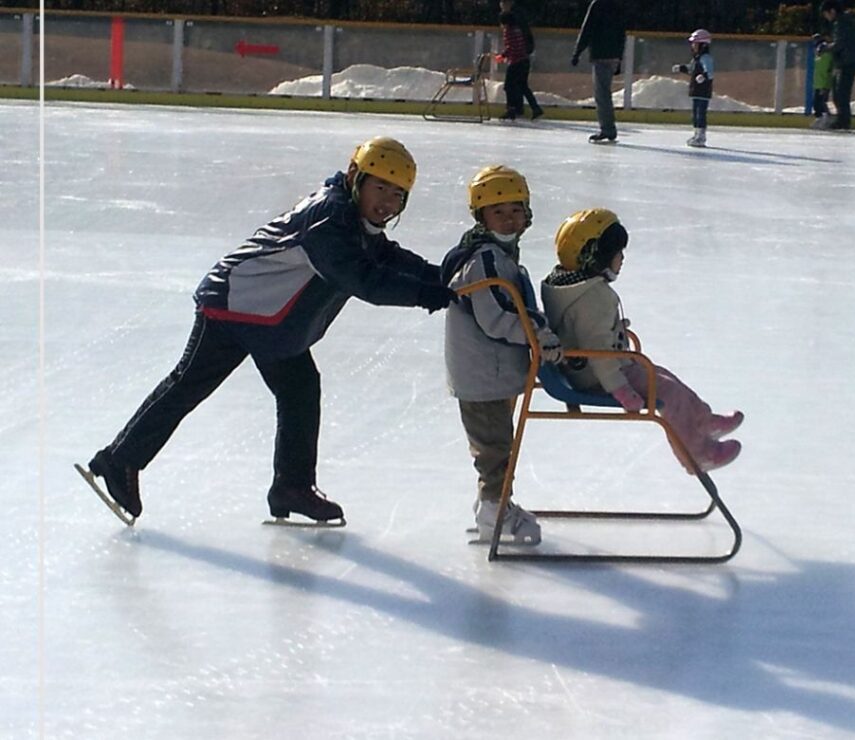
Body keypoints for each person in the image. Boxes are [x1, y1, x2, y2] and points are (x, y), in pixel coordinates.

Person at [78, 137, 457, 526]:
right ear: (355, 177)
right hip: (233, 303)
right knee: (189, 385)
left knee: (300, 390)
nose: (387, 203)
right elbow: (365, 280)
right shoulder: (329, 218)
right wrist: (431, 294)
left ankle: (292, 487)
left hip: (271, 319)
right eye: (380, 188)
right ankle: (118, 459)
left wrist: (444, 275)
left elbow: (386, 256)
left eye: (398, 195)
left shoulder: (352, 218)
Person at [540, 209, 742, 474]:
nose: (622, 259)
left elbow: (583, 331)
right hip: (599, 377)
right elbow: (599, 351)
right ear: (596, 256)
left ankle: (703, 421)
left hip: (594, 368)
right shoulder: (594, 298)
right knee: (668, 393)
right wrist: (621, 390)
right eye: (617, 252)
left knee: (664, 376)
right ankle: (699, 454)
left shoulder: (566, 287)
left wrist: (614, 329)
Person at [441, 165, 564, 545]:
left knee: (496, 444)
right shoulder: (486, 260)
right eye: (499, 212)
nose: (509, 219)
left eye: (516, 210)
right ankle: (495, 509)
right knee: (494, 449)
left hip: (491, 372)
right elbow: (497, 315)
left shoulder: (499, 255)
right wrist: (539, 335)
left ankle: (492, 505)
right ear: (482, 216)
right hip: (484, 373)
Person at [571, 0, 626, 144]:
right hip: (613, 54)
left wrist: (577, 52)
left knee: (602, 94)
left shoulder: (598, 4)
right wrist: (619, 57)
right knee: (604, 92)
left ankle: (608, 129)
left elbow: (587, 28)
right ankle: (608, 128)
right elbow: (622, 33)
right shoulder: (618, 5)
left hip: (601, 54)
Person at [496, 0, 543, 121]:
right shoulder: (517, 29)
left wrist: (503, 56)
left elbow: (511, 48)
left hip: (516, 62)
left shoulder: (509, 32)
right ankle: (535, 108)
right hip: (524, 61)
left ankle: (511, 109)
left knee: (508, 86)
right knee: (523, 86)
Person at [820, 0, 855, 131]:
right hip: (847, 60)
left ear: (832, 11)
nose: (826, 18)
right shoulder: (843, 22)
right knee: (838, 91)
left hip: (847, 61)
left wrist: (825, 47)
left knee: (841, 92)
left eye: (826, 14)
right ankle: (842, 119)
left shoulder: (841, 23)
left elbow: (839, 44)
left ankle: (843, 121)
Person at [671, 28, 714, 148]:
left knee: (701, 113)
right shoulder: (696, 59)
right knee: (695, 114)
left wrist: (703, 77)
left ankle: (701, 136)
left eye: (695, 44)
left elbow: (710, 72)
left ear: (703, 45)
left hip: (703, 91)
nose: (693, 46)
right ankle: (696, 134)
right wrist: (681, 68)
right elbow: (691, 69)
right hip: (695, 90)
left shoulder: (706, 58)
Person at [810, 33, 835, 129]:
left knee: (821, 101)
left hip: (824, 82)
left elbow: (828, 68)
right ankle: (820, 117)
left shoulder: (827, 55)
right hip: (819, 82)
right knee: (817, 102)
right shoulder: (818, 56)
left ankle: (825, 118)